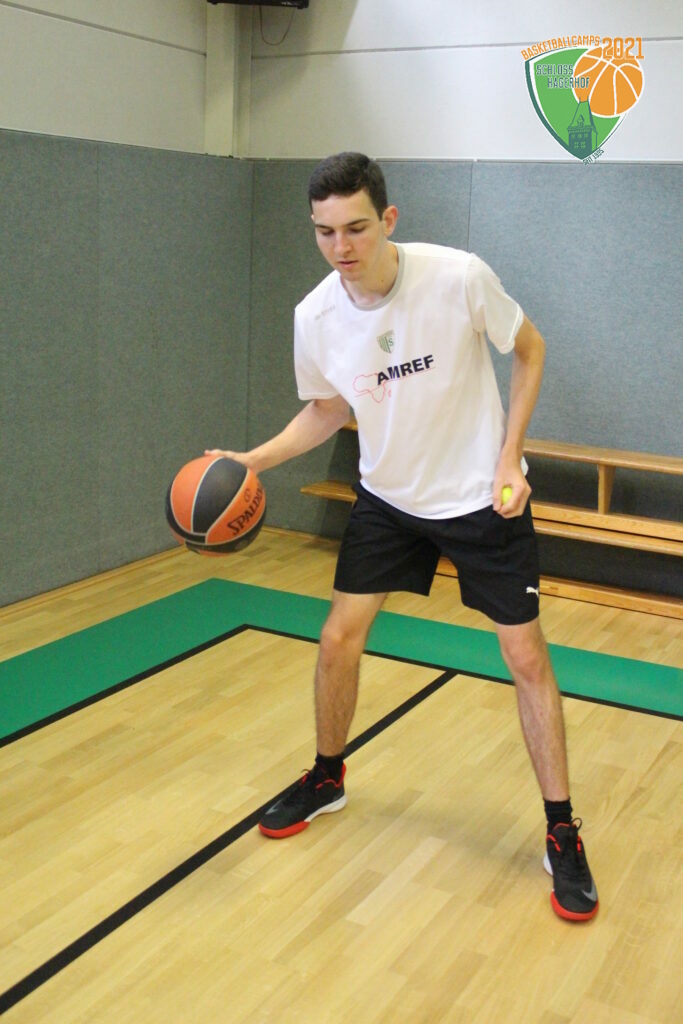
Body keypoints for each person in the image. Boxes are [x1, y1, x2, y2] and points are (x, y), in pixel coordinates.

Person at [207, 152, 598, 922]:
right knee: (336, 639)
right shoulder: (315, 316)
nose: (340, 246)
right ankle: (327, 777)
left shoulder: (457, 277)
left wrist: (509, 456)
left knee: (525, 658)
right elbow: (326, 410)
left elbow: (529, 349)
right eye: (324, 232)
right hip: (387, 499)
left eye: (355, 228)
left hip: (478, 497)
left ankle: (560, 829)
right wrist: (250, 461)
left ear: (387, 219)